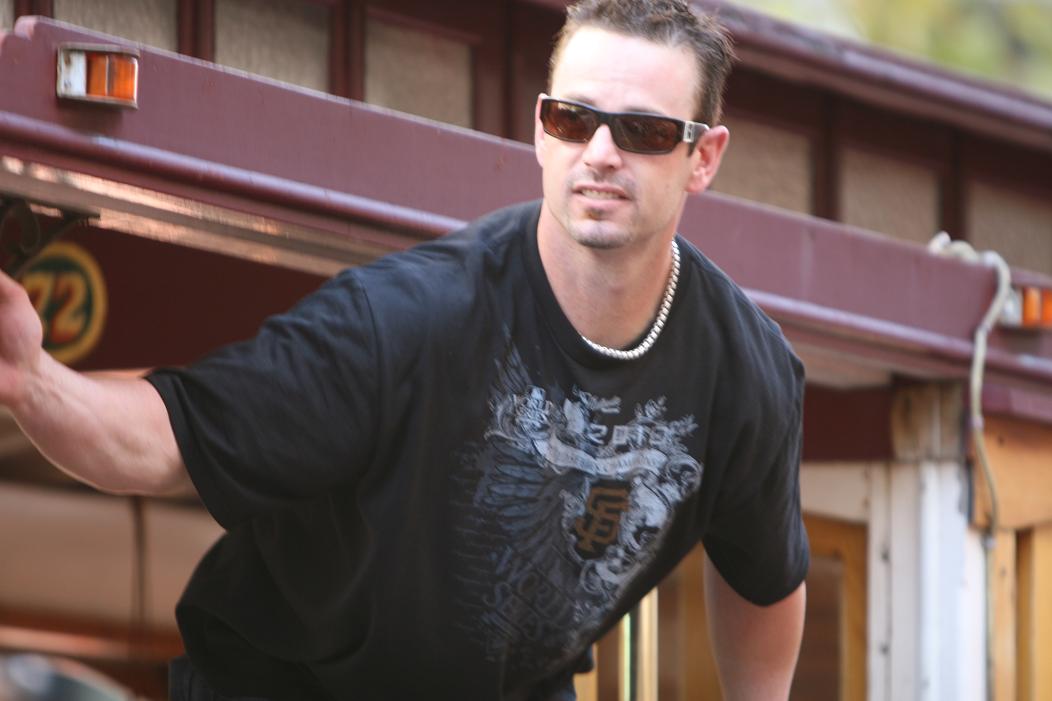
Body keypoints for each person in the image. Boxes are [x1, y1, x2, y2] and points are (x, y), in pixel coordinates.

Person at [0, 0, 808, 698]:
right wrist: (34, 382)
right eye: (573, 119)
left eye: (642, 131)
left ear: (703, 157)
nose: (599, 151)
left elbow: (765, 579)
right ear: (541, 129)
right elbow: (172, 438)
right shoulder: (407, 317)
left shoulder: (746, 372)